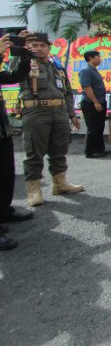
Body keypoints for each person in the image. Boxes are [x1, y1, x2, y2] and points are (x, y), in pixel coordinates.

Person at [18, 33, 84, 207]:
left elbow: (68, 92)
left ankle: (60, 183)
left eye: (42, 45)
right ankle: (34, 190)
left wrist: (72, 114)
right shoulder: (24, 65)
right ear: (29, 47)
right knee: (34, 152)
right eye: (34, 45)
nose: (38, 48)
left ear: (49, 47)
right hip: (36, 112)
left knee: (59, 148)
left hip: (60, 111)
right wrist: (22, 51)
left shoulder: (57, 67)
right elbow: (13, 71)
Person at [0, 34, 33, 249]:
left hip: (1, 128)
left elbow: (15, 75)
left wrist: (22, 52)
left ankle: (3, 211)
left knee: (5, 171)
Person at [78, 50, 108, 158]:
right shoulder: (86, 71)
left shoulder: (94, 70)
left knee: (99, 127)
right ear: (91, 58)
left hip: (100, 101)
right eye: (98, 56)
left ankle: (100, 149)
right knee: (93, 127)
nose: (99, 59)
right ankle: (90, 151)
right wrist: (95, 102)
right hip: (91, 103)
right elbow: (87, 88)